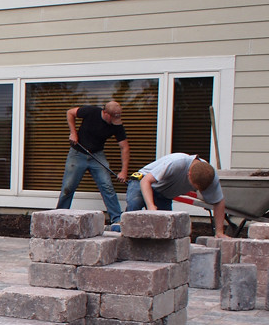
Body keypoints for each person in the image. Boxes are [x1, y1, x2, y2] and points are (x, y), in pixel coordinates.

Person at [56, 101, 129, 230]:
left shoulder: (117, 125)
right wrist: (73, 132)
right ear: (105, 113)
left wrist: (124, 171)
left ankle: (117, 219)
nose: (114, 121)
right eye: (112, 118)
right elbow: (70, 112)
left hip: (97, 155)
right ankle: (59, 217)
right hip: (77, 153)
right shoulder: (91, 112)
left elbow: (124, 147)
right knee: (68, 187)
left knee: (107, 186)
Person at [125, 153, 226, 238]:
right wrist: (151, 206)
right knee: (134, 208)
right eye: (194, 186)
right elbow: (145, 181)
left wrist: (219, 232)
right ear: (189, 174)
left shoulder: (210, 176)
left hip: (164, 195)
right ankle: (120, 231)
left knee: (164, 229)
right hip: (142, 182)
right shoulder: (176, 163)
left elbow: (219, 202)